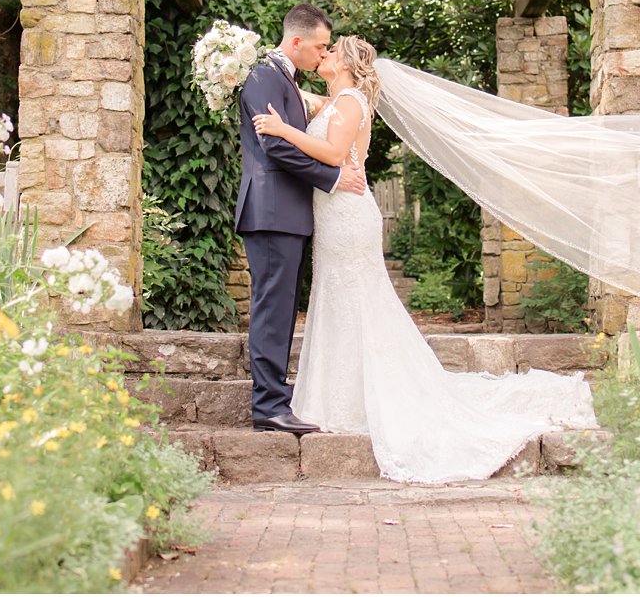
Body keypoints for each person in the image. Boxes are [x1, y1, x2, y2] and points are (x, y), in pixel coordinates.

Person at [252, 34, 597, 482]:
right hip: (335, 218)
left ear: (348, 65)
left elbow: (336, 155)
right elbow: (311, 105)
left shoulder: (351, 101)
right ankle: (337, 397)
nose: (325, 54)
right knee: (340, 302)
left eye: (332, 50)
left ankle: (364, 398)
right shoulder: (336, 100)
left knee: (357, 302)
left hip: (349, 217)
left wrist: (282, 130)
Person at [235, 4, 367, 436]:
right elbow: (275, 147)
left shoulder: (285, 80)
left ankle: (275, 395)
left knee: (282, 306)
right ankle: (269, 405)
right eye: (319, 46)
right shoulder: (264, 76)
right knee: (273, 308)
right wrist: (331, 177)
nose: (321, 54)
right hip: (271, 210)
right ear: (296, 42)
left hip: (286, 212)